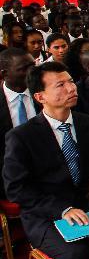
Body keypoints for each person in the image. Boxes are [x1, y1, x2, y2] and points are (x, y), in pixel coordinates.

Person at [3, 62, 89, 259]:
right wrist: (62, 209)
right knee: (75, 255)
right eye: (60, 85)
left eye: (71, 81)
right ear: (40, 96)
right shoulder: (22, 137)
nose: (71, 88)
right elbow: (16, 189)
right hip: (46, 215)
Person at [0, 49, 38, 198]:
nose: (31, 72)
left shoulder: (46, 93)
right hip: (10, 176)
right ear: (4, 74)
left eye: (33, 66)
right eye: (24, 69)